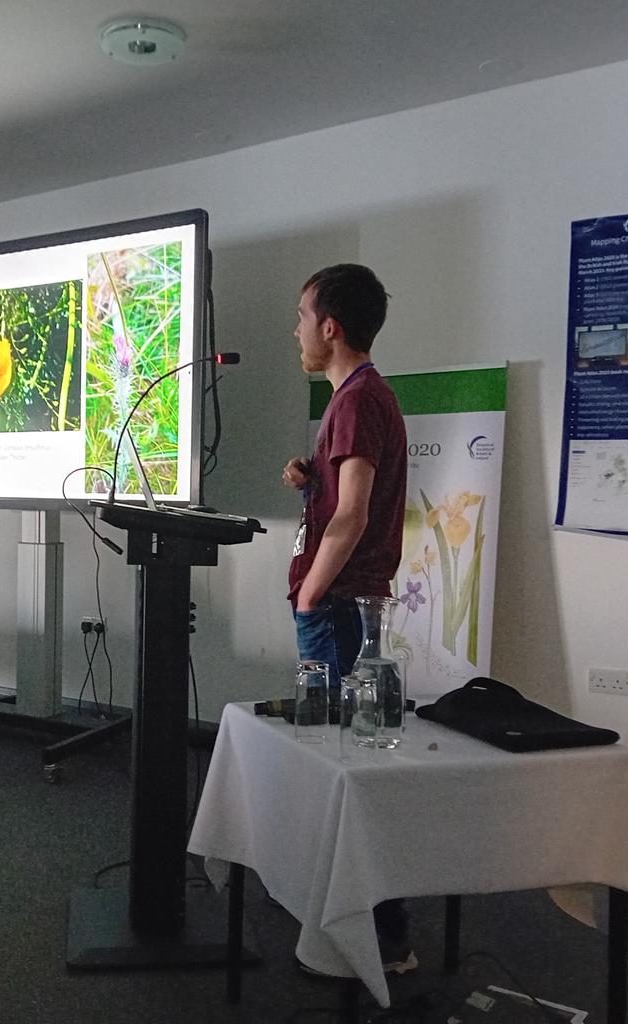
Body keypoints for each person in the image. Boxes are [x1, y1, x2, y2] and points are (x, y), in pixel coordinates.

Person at [282, 263, 413, 974]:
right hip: (336, 605)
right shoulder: (353, 402)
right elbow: (343, 493)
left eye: (302, 316)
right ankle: (365, 922)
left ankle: (381, 936)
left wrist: (310, 596)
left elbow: (355, 513)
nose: (296, 329)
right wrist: (312, 474)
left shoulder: (359, 401)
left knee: (344, 767)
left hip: (336, 609)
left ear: (330, 327)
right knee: (344, 761)